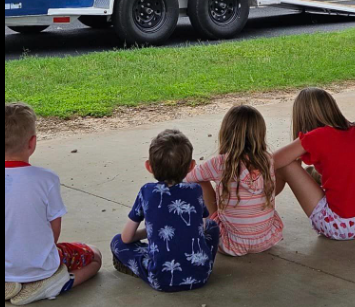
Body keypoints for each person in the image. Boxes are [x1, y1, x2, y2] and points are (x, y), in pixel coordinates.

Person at [5, 103, 102, 305]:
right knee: (94, 255)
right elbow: (54, 230)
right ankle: (55, 283)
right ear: (31, 143)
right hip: (41, 266)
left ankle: (11, 281)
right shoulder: (46, 179)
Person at [273, 88, 355, 241]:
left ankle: (258, 206)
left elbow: (272, 161)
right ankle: (317, 177)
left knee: (287, 166)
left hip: (339, 226)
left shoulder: (314, 136)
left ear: (302, 116)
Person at [111, 129, 220, 293]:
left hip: (161, 280)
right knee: (213, 225)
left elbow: (127, 238)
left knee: (117, 241)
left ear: (149, 166)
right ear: (191, 166)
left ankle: (143, 267)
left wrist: (149, 231)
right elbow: (203, 225)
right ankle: (203, 263)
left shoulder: (146, 192)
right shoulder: (195, 190)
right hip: (201, 276)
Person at [184, 106, 284, 256]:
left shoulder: (220, 163)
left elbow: (188, 178)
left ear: (226, 133)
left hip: (231, 244)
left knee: (200, 182)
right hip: (267, 239)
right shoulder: (267, 160)